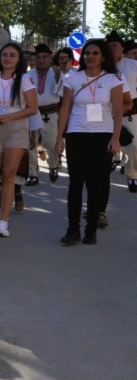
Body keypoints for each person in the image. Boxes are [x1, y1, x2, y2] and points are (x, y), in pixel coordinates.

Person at [56, 38, 124, 245]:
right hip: (76, 133)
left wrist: (115, 138)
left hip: (102, 134)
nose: (90, 57)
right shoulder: (73, 78)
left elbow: (118, 110)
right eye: (87, 53)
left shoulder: (113, 79)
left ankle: (91, 229)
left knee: (95, 183)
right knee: (75, 183)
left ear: (103, 57)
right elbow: (65, 108)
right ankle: (73, 229)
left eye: (95, 53)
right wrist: (59, 137)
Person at [0, 42, 38, 237]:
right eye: (5, 55)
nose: (7, 58)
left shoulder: (25, 80)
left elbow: (33, 108)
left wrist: (10, 117)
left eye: (12, 55)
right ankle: (6, 202)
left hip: (16, 128)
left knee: (8, 174)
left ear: (19, 59)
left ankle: (3, 221)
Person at [104, 31, 137, 195]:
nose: (112, 48)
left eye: (115, 45)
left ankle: (132, 174)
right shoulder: (101, 67)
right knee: (104, 145)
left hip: (131, 110)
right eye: (109, 46)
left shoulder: (133, 65)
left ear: (122, 48)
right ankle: (103, 175)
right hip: (106, 112)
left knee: (135, 145)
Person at [26, 44, 63, 185]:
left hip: (51, 112)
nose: (41, 60)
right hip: (32, 113)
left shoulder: (56, 73)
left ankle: (53, 165)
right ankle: (32, 173)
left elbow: (61, 93)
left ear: (50, 58)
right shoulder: (28, 75)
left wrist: (59, 77)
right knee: (31, 144)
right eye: (38, 57)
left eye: (45, 57)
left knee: (51, 143)